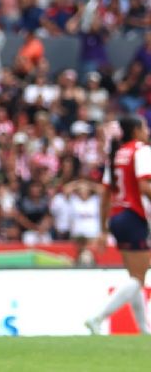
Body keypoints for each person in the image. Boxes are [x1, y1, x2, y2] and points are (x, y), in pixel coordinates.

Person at [85, 115, 151, 335]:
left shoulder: (116, 155)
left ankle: (143, 330)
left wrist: (103, 230)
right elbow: (144, 186)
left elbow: (105, 195)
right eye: (144, 127)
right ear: (135, 130)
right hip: (133, 216)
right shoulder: (140, 150)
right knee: (139, 277)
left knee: (136, 277)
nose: (147, 130)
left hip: (117, 217)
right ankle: (97, 317)